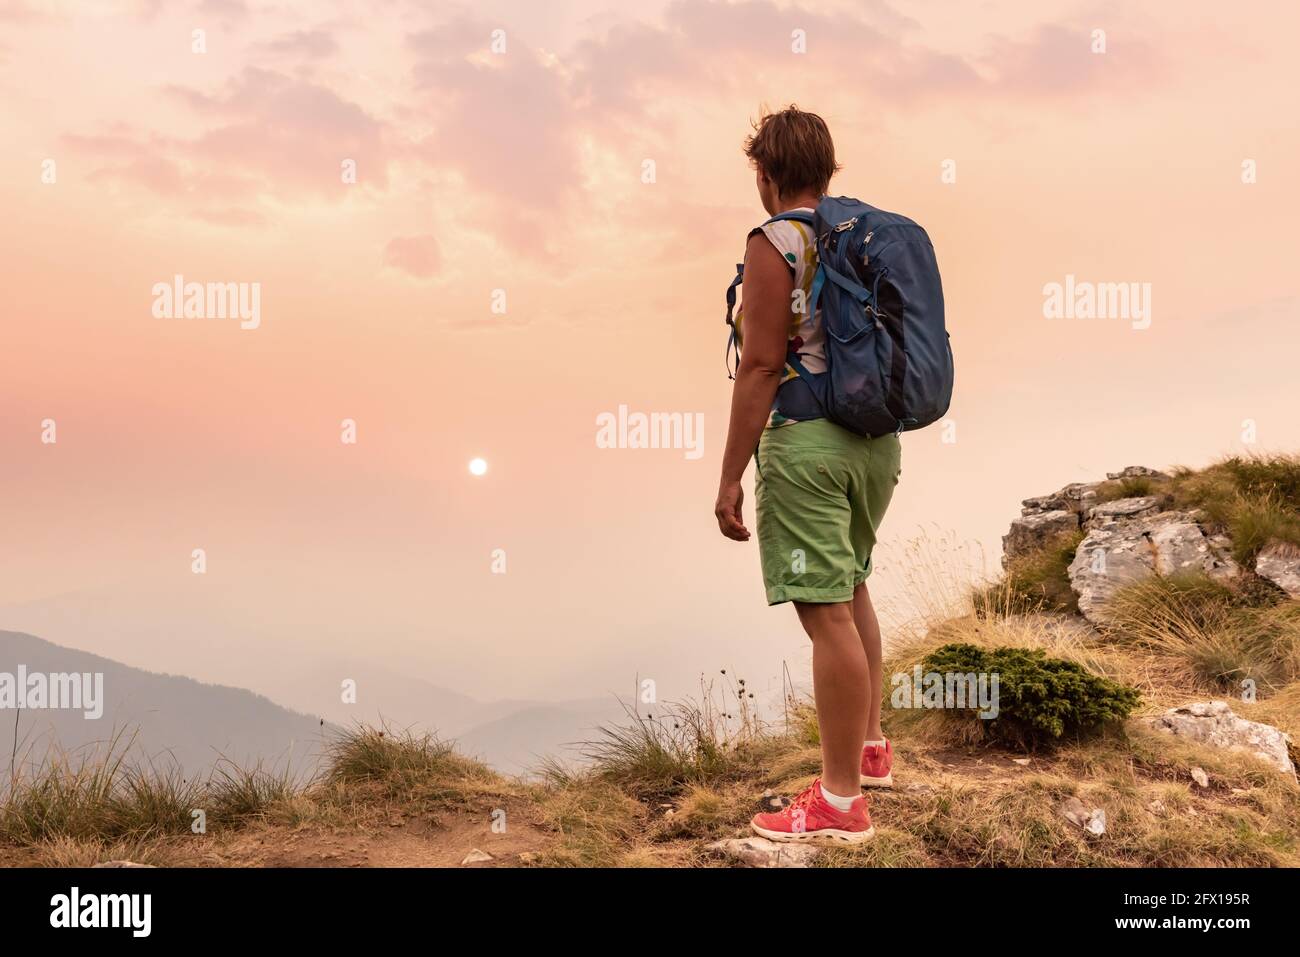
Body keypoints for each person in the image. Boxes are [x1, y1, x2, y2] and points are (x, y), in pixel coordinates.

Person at [714, 106, 898, 844]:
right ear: (829, 171)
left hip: (808, 444)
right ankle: (870, 749)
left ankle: (840, 802)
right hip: (875, 444)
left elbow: (761, 364)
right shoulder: (864, 234)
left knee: (824, 615)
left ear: (764, 174)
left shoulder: (775, 241)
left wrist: (729, 476)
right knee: (851, 584)